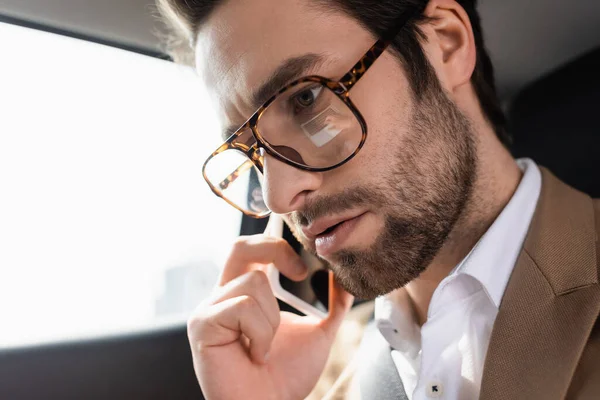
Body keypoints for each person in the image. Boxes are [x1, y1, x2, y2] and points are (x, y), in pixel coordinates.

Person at [156, 0, 600, 399]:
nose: (279, 197)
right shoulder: (311, 376)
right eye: (252, 151)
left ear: (444, 45)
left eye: (306, 100)